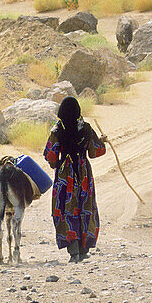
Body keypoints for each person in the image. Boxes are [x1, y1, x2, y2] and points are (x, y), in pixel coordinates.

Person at [43, 96, 106, 262]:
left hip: (65, 174)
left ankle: (74, 251)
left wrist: (56, 164)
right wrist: (102, 141)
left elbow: (51, 157)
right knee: (86, 206)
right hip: (83, 172)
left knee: (66, 208)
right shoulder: (85, 128)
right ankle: (84, 248)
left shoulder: (56, 131)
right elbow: (95, 152)